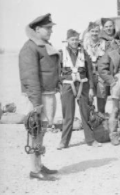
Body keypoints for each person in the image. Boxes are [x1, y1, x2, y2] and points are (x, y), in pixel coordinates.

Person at [19, 13, 60, 181]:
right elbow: (30, 77)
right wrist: (36, 104)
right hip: (38, 97)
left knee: (41, 131)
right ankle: (35, 170)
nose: (51, 31)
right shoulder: (30, 47)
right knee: (36, 132)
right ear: (37, 29)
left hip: (47, 95)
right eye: (48, 28)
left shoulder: (42, 45)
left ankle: (39, 164)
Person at [58, 29, 98, 150]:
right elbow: (57, 71)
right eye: (72, 39)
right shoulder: (61, 53)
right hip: (68, 85)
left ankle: (90, 139)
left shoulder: (84, 53)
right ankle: (64, 142)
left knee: (86, 113)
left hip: (83, 85)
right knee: (68, 115)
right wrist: (60, 87)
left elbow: (90, 72)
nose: (74, 42)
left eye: (76, 39)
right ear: (68, 40)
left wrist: (91, 88)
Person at [83, 21, 108, 113]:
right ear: (89, 32)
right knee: (89, 98)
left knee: (101, 98)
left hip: (100, 75)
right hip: (89, 75)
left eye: (96, 31)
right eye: (92, 31)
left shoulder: (104, 44)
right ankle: (91, 120)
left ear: (99, 32)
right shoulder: (84, 45)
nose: (94, 33)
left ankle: (101, 118)